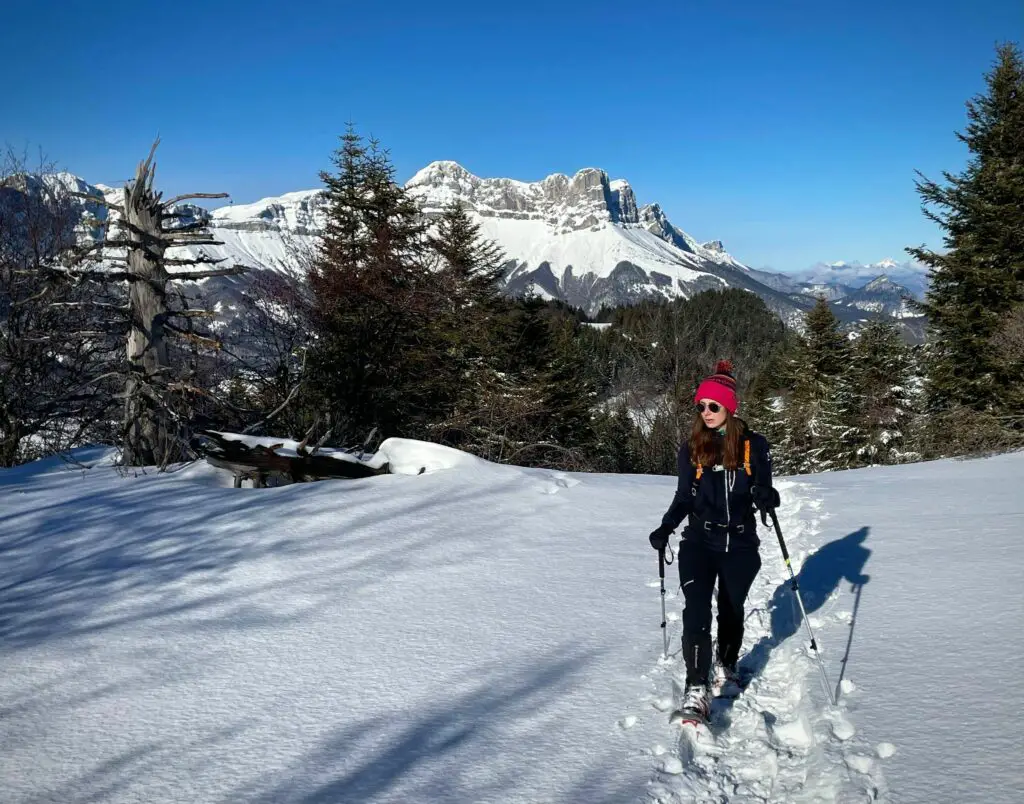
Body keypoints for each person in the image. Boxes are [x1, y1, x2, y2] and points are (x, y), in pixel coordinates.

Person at [648, 360, 778, 723]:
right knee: (696, 611)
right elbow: (684, 497)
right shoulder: (692, 447)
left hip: (739, 544)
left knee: (731, 608)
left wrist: (767, 496)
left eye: (713, 406)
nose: (705, 412)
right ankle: (696, 686)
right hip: (699, 543)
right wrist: (666, 526)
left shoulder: (754, 446)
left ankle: (726, 661)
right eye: (701, 406)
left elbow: (762, 485)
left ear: (730, 408)